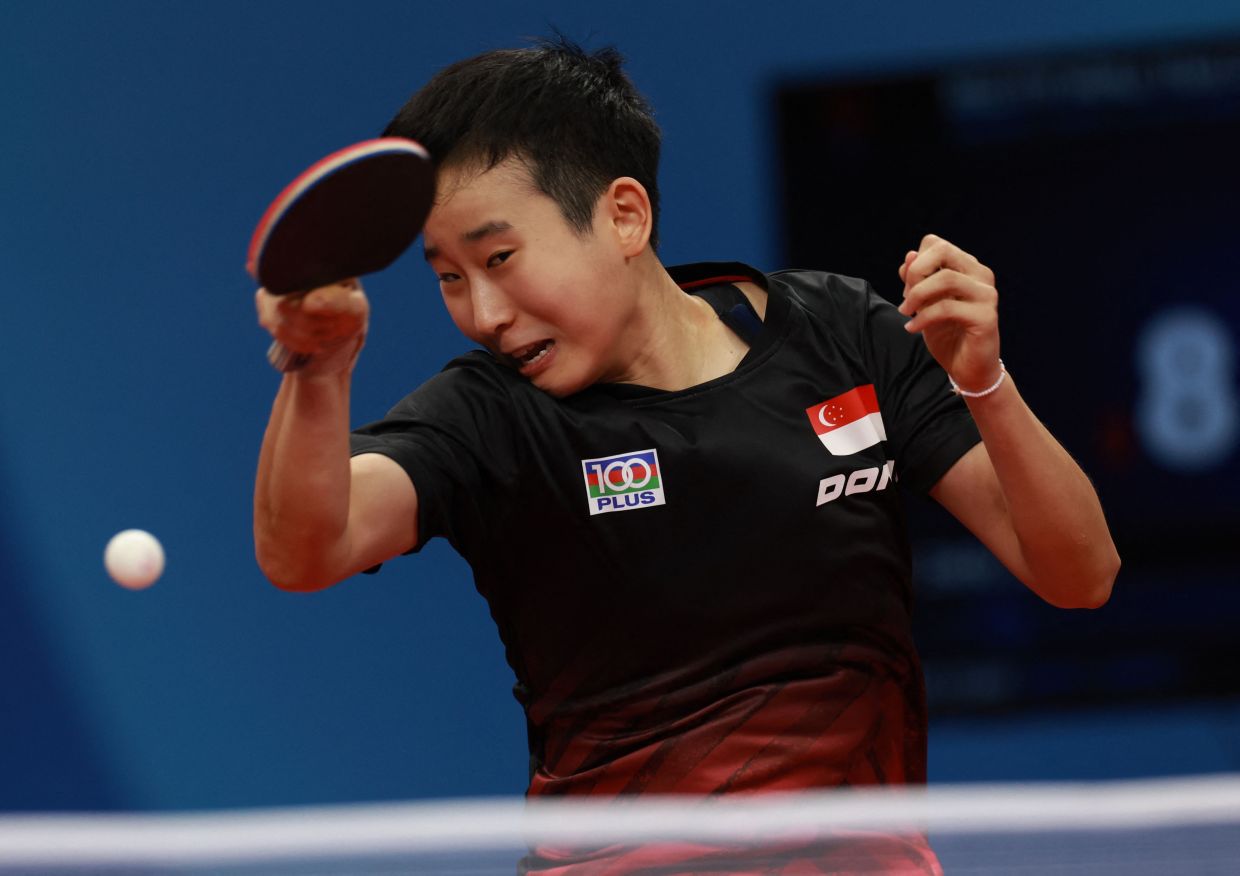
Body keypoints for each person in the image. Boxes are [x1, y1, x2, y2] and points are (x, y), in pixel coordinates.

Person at [253, 38, 1119, 874]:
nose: (483, 312)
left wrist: (985, 381)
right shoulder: (494, 418)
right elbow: (306, 551)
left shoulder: (845, 338)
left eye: (501, 258)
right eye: (448, 277)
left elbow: (1079, 575)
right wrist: (319, 375)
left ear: (624, 214)